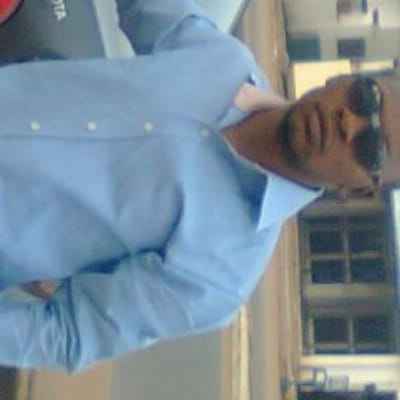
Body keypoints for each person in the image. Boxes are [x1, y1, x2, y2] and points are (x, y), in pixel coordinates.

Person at [0, 0, 398, 372]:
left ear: (358, 191)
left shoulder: (222, 273)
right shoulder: (222, 60)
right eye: (366, 97)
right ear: (343, 79)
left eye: (372, 147)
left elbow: (66, 333)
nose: (350, 122)